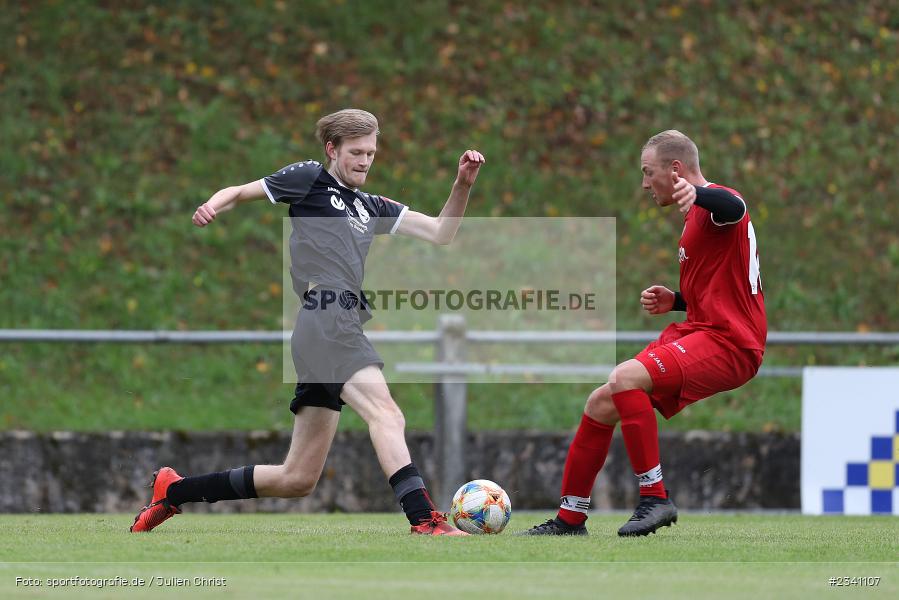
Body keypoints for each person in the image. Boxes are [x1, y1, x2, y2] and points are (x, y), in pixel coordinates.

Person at [131, 109, 485, 536]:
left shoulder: (370, 205)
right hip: (326, 316)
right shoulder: (309, 179)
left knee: (296, 478)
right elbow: (242, 191)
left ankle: (174, 491)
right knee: (386, 414)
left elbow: (441, 232)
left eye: (371, 152)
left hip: (329, 326)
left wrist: (461, 185)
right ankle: (425, 520)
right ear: (332, 149)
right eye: (356, 152)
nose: (365, 160)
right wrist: (213, 205)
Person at [523, 129, 766, 536]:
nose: (643, 182)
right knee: (601, 401)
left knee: (624, 376)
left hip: (730, 342)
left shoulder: (716, 205)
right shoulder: (694, 219)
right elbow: (726, 290)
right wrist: (677, 299)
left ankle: (655, 497)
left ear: (676, 170)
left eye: (647, 172)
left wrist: (699, 193)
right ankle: (570, 518)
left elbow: (735, 205)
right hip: (701, 329)